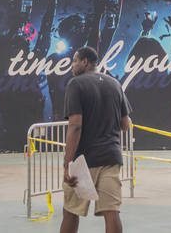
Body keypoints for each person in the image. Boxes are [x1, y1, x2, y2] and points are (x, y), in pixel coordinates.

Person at [61, 46, 131, 233]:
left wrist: (67, 162)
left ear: (85, 62)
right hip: (110, 158)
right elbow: (126, 124)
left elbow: (75, 125)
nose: (72, 65)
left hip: (83, 161)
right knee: (112, 212)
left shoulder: (75, 84)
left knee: (70, 212)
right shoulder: (115, 84)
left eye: (75, 61)